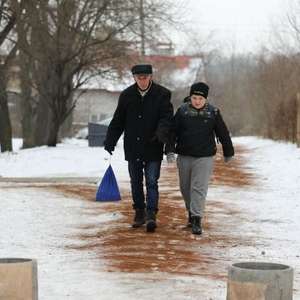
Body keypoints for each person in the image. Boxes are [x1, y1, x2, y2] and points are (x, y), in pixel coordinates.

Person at [104, 64, 173, 232]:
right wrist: (110, 140)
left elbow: (167, 118)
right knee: (135, 181)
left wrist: (160, 133)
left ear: (151, 76)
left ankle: (151, 215)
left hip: (153, 145)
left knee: (151, 181)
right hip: (133, 146)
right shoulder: (127, 95)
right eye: (139, 77)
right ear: (134, 77)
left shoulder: (162, 94)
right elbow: (118, 120)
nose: (142, 80)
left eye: (145, 77)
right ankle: (139, 212)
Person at [166, 82, 234, 235]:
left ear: (206, 99)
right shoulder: (182, 111)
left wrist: (228, 151)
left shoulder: (213, 113)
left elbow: (223, 132)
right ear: (190, 97)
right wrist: (169, 150)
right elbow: (172, 133)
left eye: (200, 99)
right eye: (194, 98)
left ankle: (197, 219)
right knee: (185, 188)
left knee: (199, 188)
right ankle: (191, 212)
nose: (197, 101)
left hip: (205, 156)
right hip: (184, 155)